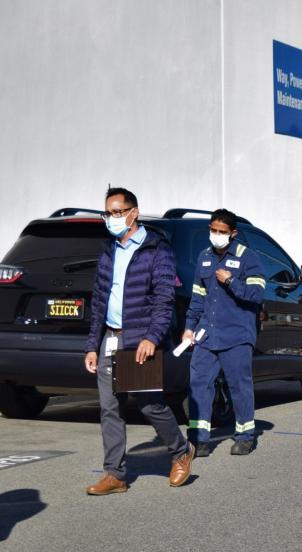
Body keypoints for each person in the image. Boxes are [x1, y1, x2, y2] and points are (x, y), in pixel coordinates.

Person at [84, 188, 194, 494]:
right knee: (110, 409)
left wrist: (152, 337)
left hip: (139, 340)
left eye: (117, 212)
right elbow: (98, 302)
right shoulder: (109, 250)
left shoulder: (156, 248)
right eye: (108, 213)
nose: (112, 219)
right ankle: (114, 474)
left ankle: (180, 450)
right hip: (110, 338)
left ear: (134, 212)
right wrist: (92, 345)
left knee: (149, 405)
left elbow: (164, 298)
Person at [184, 209, 266, 456]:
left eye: (222, 232)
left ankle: (245, 435)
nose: (216, 235)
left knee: (239, 386)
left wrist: (231, 281)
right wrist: (189, 327)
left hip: (237, 335)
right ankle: (199, 439)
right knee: (199, 384)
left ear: (233, 233)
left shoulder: (247, 258)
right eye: (213, 230)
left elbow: (257, 294)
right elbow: (198, 297)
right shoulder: (204, 257)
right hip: (206, 334)